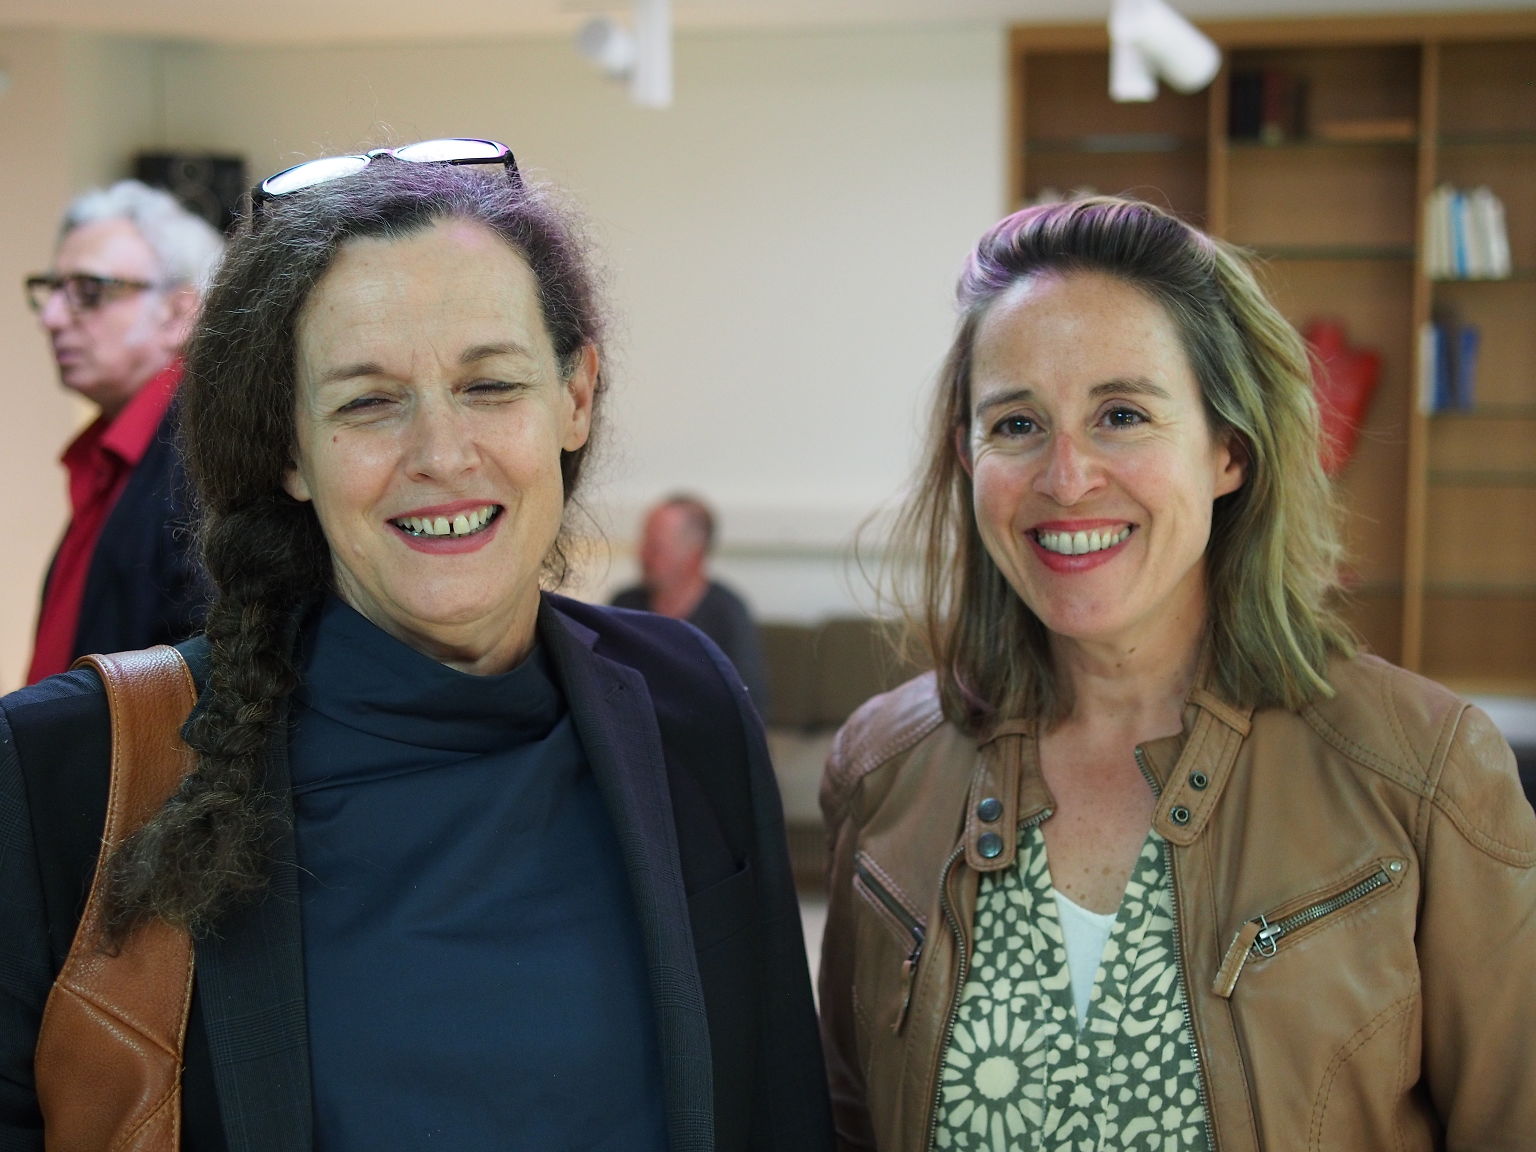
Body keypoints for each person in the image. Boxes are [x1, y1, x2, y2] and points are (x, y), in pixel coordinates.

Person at [0, 140, 831, 1150]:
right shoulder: (65, 776)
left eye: (491, 385)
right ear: (288, 448)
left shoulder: (684, 705)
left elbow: (780, 1106)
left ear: (574, 397)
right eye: (367, 401)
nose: (442, 453)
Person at [817, 196, 1536, 1151]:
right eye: (1017, 424)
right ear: (967, 456)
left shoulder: (1425, 774)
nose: (1066, 477)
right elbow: (843, 1121)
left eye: (1121, 415)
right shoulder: (883, 770)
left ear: (1227, 449)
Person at [22, 180, 224, 683]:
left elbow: (204, 673)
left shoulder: (205, 453)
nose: (52, 318)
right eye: (53, 290)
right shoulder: (114, 452)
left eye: (90, 293)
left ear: (179, 312)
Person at [612, 494, 770, 706]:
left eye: (655, 548)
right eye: (644, 544)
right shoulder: (624, 605)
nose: (642, 555)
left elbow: (748, 704)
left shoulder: (727, 614)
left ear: (694, 555)